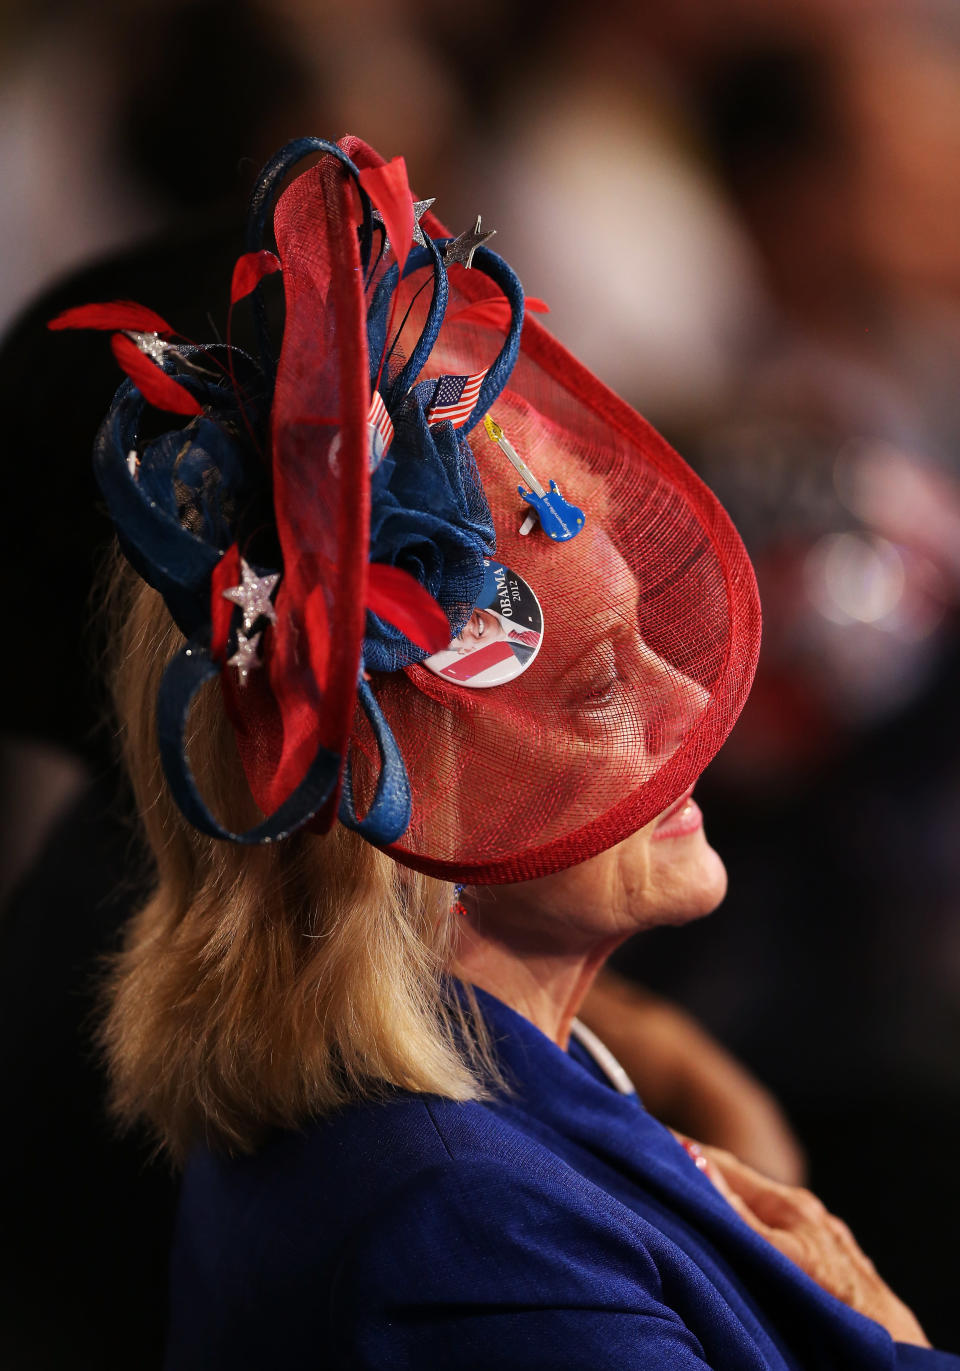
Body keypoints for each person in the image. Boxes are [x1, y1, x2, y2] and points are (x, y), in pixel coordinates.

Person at [60, 136, 958, 1367]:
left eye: (650, 633)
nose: (686, 694)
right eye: (594, 691)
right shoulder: (464, 1234)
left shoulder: (505, 1093)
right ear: (395, 794)